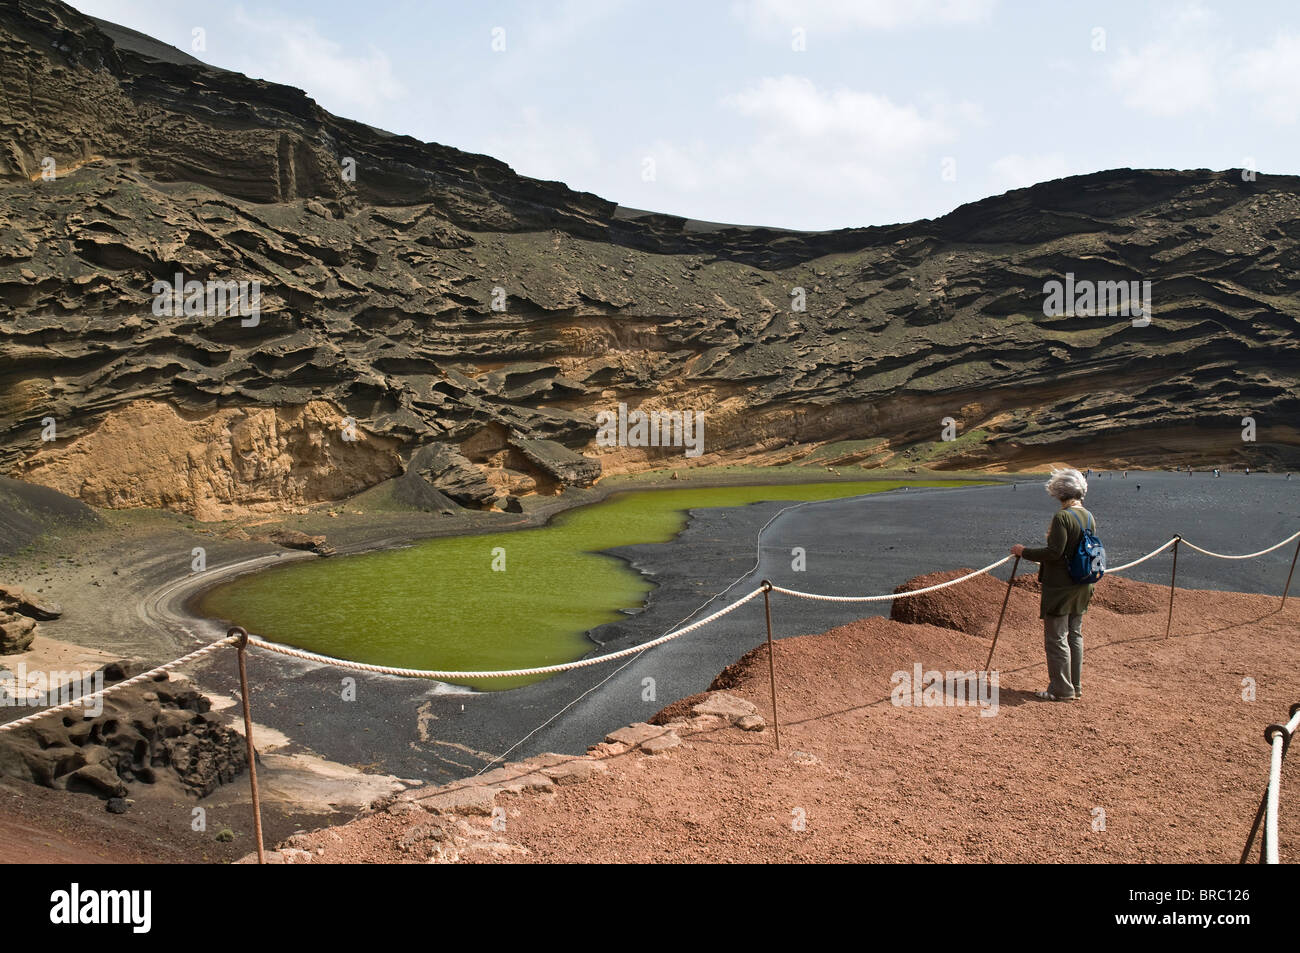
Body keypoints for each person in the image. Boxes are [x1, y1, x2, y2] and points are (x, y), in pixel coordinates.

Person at [1010, 467, 1096, 702]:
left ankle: (1061, 690)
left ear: (1059, 491)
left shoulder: (1062, 517)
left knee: (1056, 638)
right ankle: (1074, 687)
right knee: (1075, 635)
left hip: (1060, 587)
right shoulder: (1088, 515)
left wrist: (1023, 551)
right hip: (1082, 583)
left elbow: (1054, 552)